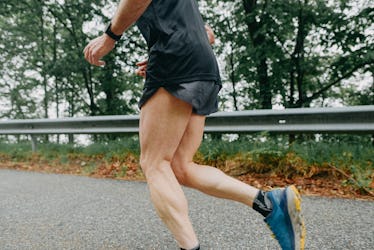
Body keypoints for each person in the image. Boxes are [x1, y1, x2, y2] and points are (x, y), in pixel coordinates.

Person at [83, 0, 306, 249]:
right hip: (200, 59)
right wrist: (167, 49)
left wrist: (110, 36)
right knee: (180, 166)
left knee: (154, 163)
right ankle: (269, 203)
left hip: (175, 56)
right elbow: (206, 32)